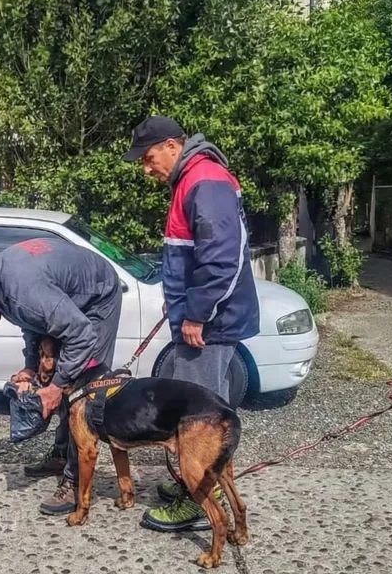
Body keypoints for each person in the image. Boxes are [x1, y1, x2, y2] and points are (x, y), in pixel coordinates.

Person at [122, 115, 260, 533]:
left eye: (148, 158)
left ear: (171, 145)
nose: (147, 169)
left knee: (199, 421)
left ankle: (202, 503)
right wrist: (179, 303)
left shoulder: (205, 180)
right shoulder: (194, 179)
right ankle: (193, 485)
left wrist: (196, 312)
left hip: (211, 324)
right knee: (200, 412)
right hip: (205, 319)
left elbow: (221, 259)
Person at [0, 237, 122, 515]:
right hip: (63, 297)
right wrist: (29, 366)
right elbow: (31, 322)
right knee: (59, 379)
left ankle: (75, 482)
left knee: (81, 393)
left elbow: (81, 334)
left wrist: (57, 387)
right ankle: (61, 454)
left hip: (97, 297)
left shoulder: (20, 289)